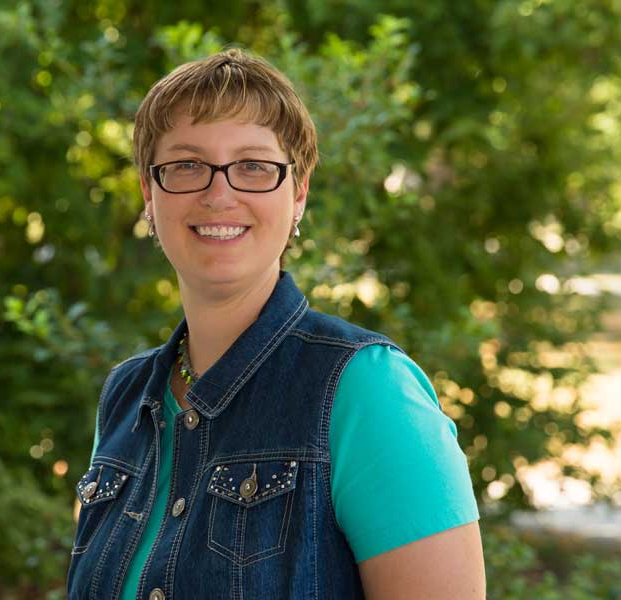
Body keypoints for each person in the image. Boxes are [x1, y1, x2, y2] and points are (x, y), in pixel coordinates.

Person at [66, 48, 485, 600]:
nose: (219, 194)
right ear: (150, 193)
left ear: (298, 195)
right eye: (187, 164)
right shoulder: (124, 397)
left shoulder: (367, 390)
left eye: (254, 167)